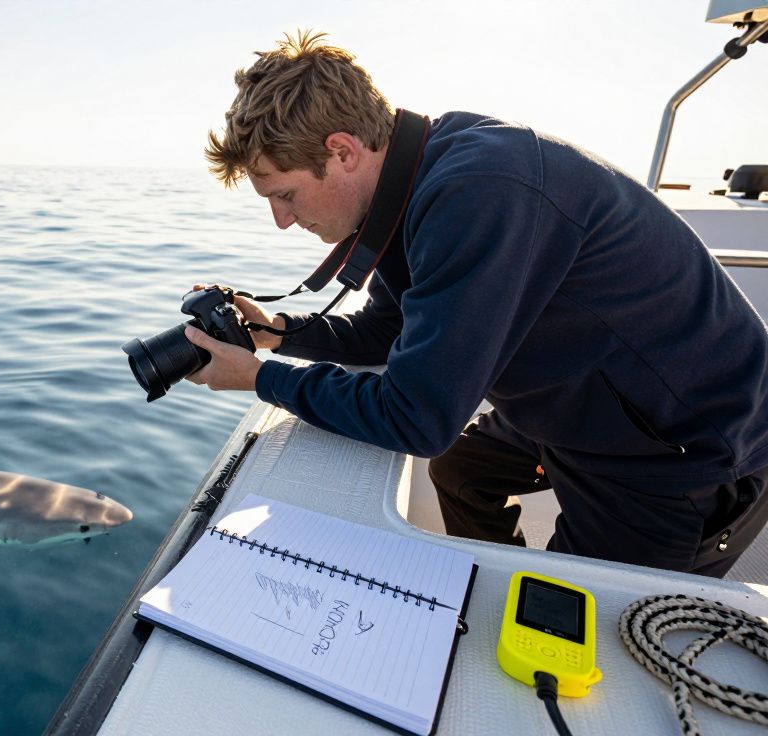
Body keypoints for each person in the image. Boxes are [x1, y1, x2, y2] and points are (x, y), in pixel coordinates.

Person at [182, 29, 768, 577]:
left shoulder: (479, 192)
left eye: (285, 195)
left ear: (342, 151)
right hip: (588, 410)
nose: (282, 220)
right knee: (462, 471)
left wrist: (262, 380)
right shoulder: (422, 172)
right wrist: (281, 333)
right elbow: (388, 329)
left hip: (679, 456)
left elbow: (417, 416)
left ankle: (517, 591)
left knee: (570, 639)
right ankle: (490, 578)